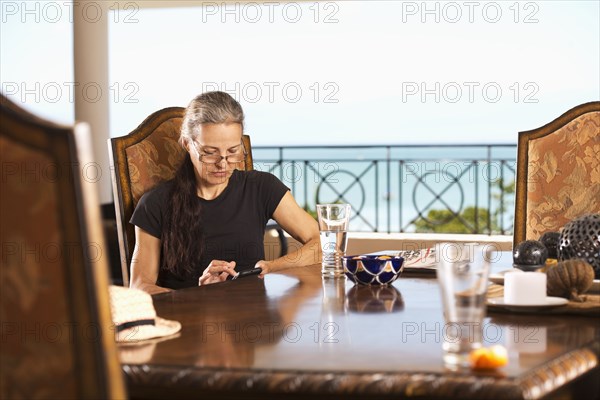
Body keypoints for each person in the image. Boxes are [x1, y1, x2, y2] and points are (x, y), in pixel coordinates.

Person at [129, 91, 321, 294]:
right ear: (187, 144)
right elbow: (140, 286)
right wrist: (198, 294)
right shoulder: (155, 203)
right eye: (210, 153)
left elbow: (322, 243)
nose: (223, 164)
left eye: (232, 151)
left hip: (253, 321)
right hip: (188, 320)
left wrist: (271, 267)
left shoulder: (261, 187)